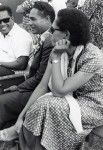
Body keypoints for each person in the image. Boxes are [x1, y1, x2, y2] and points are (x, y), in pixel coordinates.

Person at [1, 8, 103, 150]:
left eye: (53, 29)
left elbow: (59, 91)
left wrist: (56, 58)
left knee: (47, 104)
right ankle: (24, 140)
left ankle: (23, 142)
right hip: (66, 99)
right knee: (43, 103)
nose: (49, 33)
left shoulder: (93, 56)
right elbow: (42, 87)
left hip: (91, 104)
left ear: (66, 34)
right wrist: (21, 117)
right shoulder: (58, 48)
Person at [0, 1, 55, 130]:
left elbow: (40, 79)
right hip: (29, 83)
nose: (28, 23)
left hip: (39, 90)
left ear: (47, 19)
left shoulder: (50, 41)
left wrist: (18, 87)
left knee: (1, 102)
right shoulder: (43, 37)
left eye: (33, 19)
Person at [0, 5, 32, 76]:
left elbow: (21, 64)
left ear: (12, 18)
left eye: (6, 20)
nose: (2, 24)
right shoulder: (2, 33)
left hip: (15, 75)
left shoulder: (21, 35)